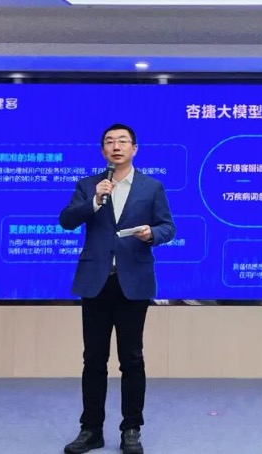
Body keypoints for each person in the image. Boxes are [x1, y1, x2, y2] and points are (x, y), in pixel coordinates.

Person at [59, 124, 176, 454]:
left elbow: (168, 227)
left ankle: (131, 429)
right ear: (102, 151)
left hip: (133, 283)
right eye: (109, 142)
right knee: (93, 359)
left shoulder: (151, 187)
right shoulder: (88, 185)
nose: (116, 147)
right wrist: (95, 201)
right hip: (95, 282)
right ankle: (91, 429)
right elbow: (66, 220)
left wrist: (151, 234)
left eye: (122, 141)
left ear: (134, 149)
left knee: (132, 359)